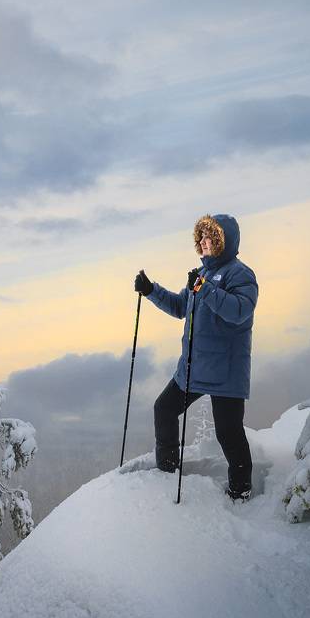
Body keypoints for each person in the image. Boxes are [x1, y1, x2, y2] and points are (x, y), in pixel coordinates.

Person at [134, 212, 257, 501]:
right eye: (200, 237)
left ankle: (241, 490)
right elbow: (181, 306)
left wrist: (205, 289)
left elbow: (239, 311)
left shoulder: (240, 274)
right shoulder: (201, 274)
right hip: (195, 367)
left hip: (226, 371)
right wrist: (151, 291)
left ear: (223, 242)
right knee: (164, 409)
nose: (203, 242)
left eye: (209, 237)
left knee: (228, 432)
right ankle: (167, 471)